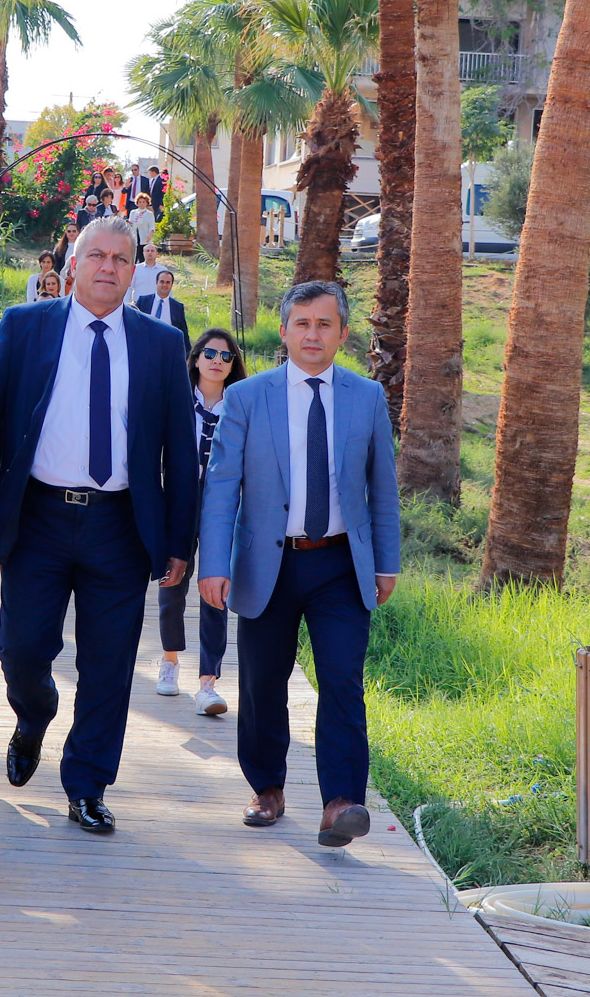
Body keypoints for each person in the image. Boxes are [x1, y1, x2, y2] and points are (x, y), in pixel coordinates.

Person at [0, 217, 198, 834]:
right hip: (38, 518)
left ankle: (87, 784)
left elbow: (180, 452)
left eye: (121, 259)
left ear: (135, 272)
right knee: (20, 648)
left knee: (109, 664)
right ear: (72, 265)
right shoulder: (24, 326)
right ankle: (34, 713)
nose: (107, 267)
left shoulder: (160, 344)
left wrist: (179, 541)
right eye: (96, 255)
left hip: (120, 525)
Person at [198, 280, 400, 848]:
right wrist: (213, 563)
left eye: (324, 324)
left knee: (342, 680)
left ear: (343, 333)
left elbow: (383, 489)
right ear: (284, 332)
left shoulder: (366, 397)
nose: (313, 334)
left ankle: (341, 803)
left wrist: (387, 563)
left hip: (340, 565)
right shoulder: (246, 397)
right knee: (263, 682)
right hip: (267, 564)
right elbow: (222, 488)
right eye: (302, 324)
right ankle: (267, 787)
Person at [156, 329, 244, 715]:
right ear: (195, 358)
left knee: (215, 590)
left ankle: (208, 682)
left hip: (221, 505)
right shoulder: (176, 399)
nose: (217, 361)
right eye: (209, 354)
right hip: (178, 500)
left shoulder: (239, 405)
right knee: (172, 585)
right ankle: (170, 661)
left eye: (226, 356)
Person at [135, 268, 189, 354]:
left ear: (171, 285)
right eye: (162, 282)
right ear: (156, 282)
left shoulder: (177, 307)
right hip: (144, 347)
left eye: (168, 282)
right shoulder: (143, 301)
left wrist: (189, 355)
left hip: (167, 349)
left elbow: (183, 333)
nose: (164, 285)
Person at [127, 193, 156, 263]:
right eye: (140, 202)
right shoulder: (133, 212)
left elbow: (152, 226)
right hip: (135, 237)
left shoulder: (149, 214)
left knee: (142, 256)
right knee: (134, 256)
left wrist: (149, 236)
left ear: (147, 203)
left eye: (143, 202)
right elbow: (130, 224)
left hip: (144, 237)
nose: (141, 204)